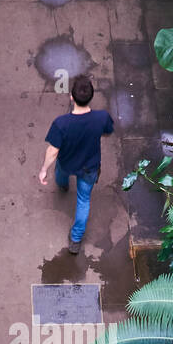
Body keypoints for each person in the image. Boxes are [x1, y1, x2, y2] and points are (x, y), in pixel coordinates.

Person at [38, 75, 115, 254]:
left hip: (67, 162)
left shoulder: (61, 124)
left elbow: (53, 151)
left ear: (71, 97)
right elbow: (107, 132)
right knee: (83, 200)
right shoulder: (101, 118)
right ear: (91, 96)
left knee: (61, 174)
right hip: (89, 167)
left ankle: (63, 186)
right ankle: (76, 239)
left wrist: (43, 170)